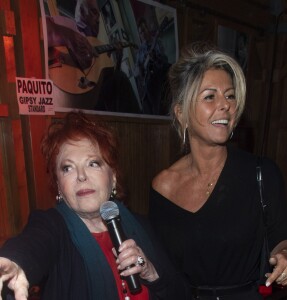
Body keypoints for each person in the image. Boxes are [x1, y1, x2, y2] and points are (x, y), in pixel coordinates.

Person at [148, 42, 287, 300]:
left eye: (230, 95)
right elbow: (162, 267)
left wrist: (286, 256)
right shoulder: (163, 187)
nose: (225, 105)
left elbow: (282, 238)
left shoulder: (262, 174)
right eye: (210, 96)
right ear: (181, 113)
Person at [0, 111, 189, 299]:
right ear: (58, 185)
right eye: (68, 168)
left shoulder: (142, 225)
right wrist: (15, 262)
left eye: (93, 163)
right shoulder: (52, 227)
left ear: (113, 177)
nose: (81, 176)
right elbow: (34, 243)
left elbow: (180, 292)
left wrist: (151, 273)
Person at [46, 0, 141, 113]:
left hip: (90, 100)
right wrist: (68, 35)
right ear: (81, 11)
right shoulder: (68, 24)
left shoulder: (97, 44)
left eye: (99, 15)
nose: (98, 19)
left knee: (119, 79)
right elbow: (39, 27)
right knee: (121, 79)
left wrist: (118, 59)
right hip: (65, 97)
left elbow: (111, 85)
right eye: (93, 12)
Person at [134, 17, 170, 115]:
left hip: (160, 76)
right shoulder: (140, 51)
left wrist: (155, 58)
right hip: (147, 81)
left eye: (144, 30)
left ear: (148, 29)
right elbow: (135, 72)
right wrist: (139, 69)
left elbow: (165, 62)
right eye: (141, 32)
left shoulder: (157, 43)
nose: (143, 34)